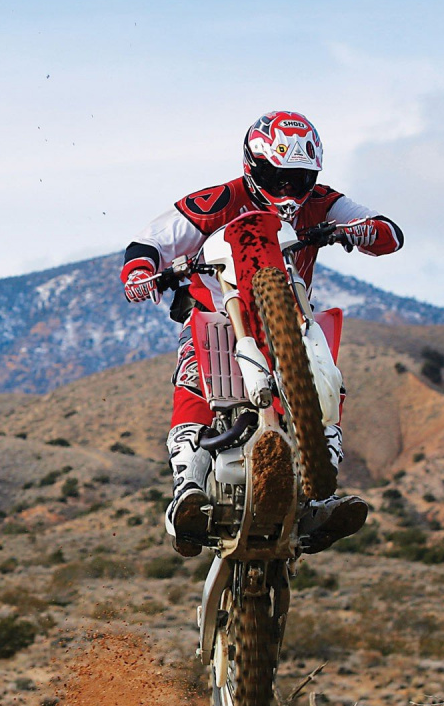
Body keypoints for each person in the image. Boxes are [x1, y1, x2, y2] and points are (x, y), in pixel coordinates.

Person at [120, 111, 404, 557]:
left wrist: (368, 230)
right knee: (196, 375)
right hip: (218, 310)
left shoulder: (324, 201)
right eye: (277, 176)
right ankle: (187, 490)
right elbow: (149, 242)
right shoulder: (219, 199)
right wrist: (141, 272)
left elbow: (389, 232)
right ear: (253, 166)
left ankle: (320, 493)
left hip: (288, 317)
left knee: (328, 375)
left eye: (299, 178)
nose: (288, 190)